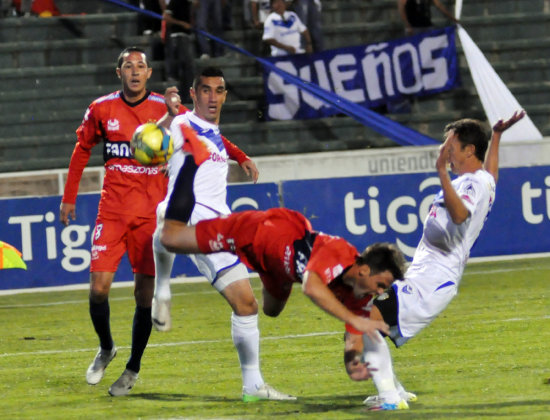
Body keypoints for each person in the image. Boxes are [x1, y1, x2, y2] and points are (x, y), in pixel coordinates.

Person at [343, 111, 526, 411]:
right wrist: (497, 136)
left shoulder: (468, 183)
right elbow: (491, 175)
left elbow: (459, 215)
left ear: (469, 150)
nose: (445, 154)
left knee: (366, 316)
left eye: (450, 148)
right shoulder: (482, 180)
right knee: (368, 313)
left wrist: (441, 171)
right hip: (429, 278)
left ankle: (390, 397)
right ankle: (394, 392)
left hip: (432, 279)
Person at [156, 133, 407, 342]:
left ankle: (278, 269)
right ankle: (190, 161)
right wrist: (351, 320)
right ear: (364, 270)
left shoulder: (360, 294)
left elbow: (356, 335)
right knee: (171, 239)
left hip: (280, 263)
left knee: (271, 311)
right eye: (381, 285)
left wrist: (357, 361)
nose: (379, 293)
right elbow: (311, 288)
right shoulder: (339, 254)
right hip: (257, 233)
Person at [152, 67, 298, 402]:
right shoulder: (182, 122)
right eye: (205, 90)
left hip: (221, 226)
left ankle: (253, 387)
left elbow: (219, 140)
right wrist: (170, 108)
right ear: (194, 94)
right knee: (167, 222)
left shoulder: (213, 133)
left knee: (247, 305)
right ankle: (162, 291)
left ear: (225, 95)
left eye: (218, 90)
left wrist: (241, 156)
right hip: (193, 216)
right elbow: (172, 125)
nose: (213, 97)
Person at [59, 47, 181, 397]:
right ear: (119, 73)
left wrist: (173, 162)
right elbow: (82, 148)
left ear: (149, 73)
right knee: (98, 289)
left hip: (150, 217)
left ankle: (133, 368)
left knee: (143, 296)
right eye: (128, 66)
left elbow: (196, 134)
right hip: (111, 212)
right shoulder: (102, 109)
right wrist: (69, 196)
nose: (134, 71)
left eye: (140, 66)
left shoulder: (164, 108)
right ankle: (107, 347)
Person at [162, 0, 195, 103]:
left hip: (185, 37)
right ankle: (183, 97)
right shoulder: (175, 2)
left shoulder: (188, 3)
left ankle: (186, 97)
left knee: (187, 69)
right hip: (178, 37)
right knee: (184, 68)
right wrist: (182, 24)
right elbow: (166, 18)